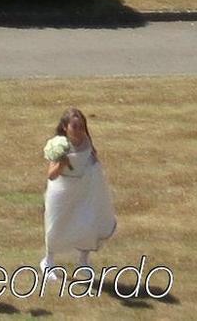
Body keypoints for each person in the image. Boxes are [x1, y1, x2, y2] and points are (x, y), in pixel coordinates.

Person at [43, 107, 117, 275]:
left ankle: (83, 261)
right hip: (63, 191)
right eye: (74, 127)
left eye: (81, 127)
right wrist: (62, 163)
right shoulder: (60, 146)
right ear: (64, 128)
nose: (78, 131)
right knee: (57, 225)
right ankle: (49, 261)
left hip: (84, 189)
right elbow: (51, 175)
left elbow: (93, 160)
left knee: (86, 222)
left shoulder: (87, 143)